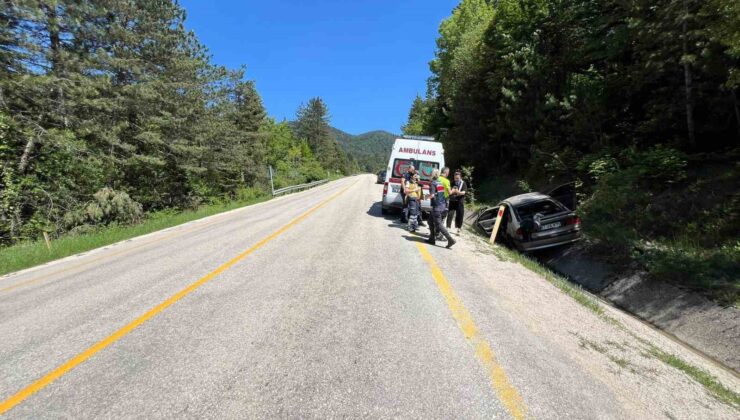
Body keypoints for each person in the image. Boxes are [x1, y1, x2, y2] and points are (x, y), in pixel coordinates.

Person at [426, 169, 456, 249]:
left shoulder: (433, 183)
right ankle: (432, 238)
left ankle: (450, 240)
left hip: (437, 206)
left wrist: (425, 197)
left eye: (430, 173)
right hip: (442, 205)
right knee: (430, 221)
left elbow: (432, 195)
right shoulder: (439, 183)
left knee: (439, 224)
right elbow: (440, 194)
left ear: (432, 174)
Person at [447, 170, 467, 235]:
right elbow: (449, 191)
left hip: (460, 201)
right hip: (452, 201)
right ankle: (448, 227)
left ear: (460, 177)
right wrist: (452, 191)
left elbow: (464, 192)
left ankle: (458, 228)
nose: (456, 179)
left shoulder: (463, 183)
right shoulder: (452, 182)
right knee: (450, 214)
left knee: (460, 215)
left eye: (457, 178)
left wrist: (458, 192)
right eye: (455, 178)